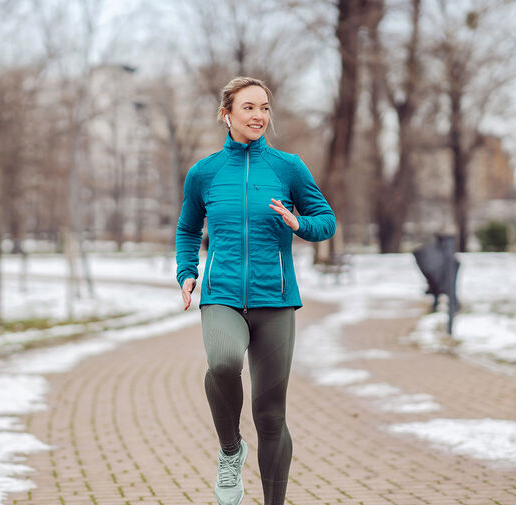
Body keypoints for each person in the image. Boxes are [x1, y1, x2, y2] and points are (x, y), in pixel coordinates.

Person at [175, 76, 336, 505]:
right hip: (222, 293)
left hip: (275, 299)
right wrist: (186, 272)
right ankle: (230, 450)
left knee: (270, 415)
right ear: (226, 114)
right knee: (224, 362)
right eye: (249, 107)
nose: (259, 116)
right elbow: (188, 229)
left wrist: (299, 223)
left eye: (264, 108)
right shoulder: (204, 172)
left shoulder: (288, 167)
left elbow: (326, 220)